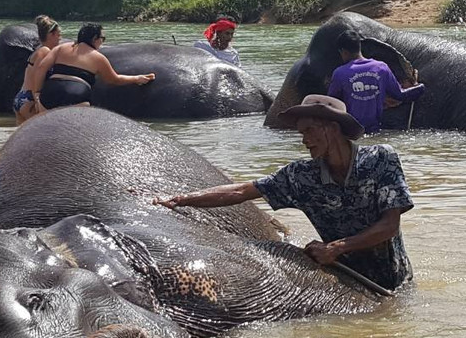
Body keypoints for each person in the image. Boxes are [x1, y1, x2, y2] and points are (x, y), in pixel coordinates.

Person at [154, 94, 413, 291]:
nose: (304, 140)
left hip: (394, 278)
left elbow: (389, 225)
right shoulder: (301, 175)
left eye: (309, 131)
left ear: (332, 128)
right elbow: (242, 191)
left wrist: (335, 248)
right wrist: (180, 200)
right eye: (301, 133)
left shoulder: (381, 158)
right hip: (346, 277)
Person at [30, 23, 154, 111]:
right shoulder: (98, 57)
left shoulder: (61, 48)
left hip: (49, 94)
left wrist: (37, 93)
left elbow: (41, 68)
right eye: (102, 38)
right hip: (76, 97)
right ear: (94, 39)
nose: (102, 42)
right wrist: (137, 78)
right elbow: (114, 79)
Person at [327, 29, 425, 135]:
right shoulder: (381, 68)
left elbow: (331, 104)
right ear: (359, 48)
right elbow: (400, 95)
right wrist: (419, 87)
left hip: (351, 133)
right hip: (374, 131)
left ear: (343, 52)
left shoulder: (339, 73)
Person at [13, 15, 61, 124]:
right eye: (58, 35)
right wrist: (37, 100)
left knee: (22, 138)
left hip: (22, 98)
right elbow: (37, 75)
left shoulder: (38, 51)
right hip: (30, 99)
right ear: (51, 35)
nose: (60, 38)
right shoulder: (44, 51)